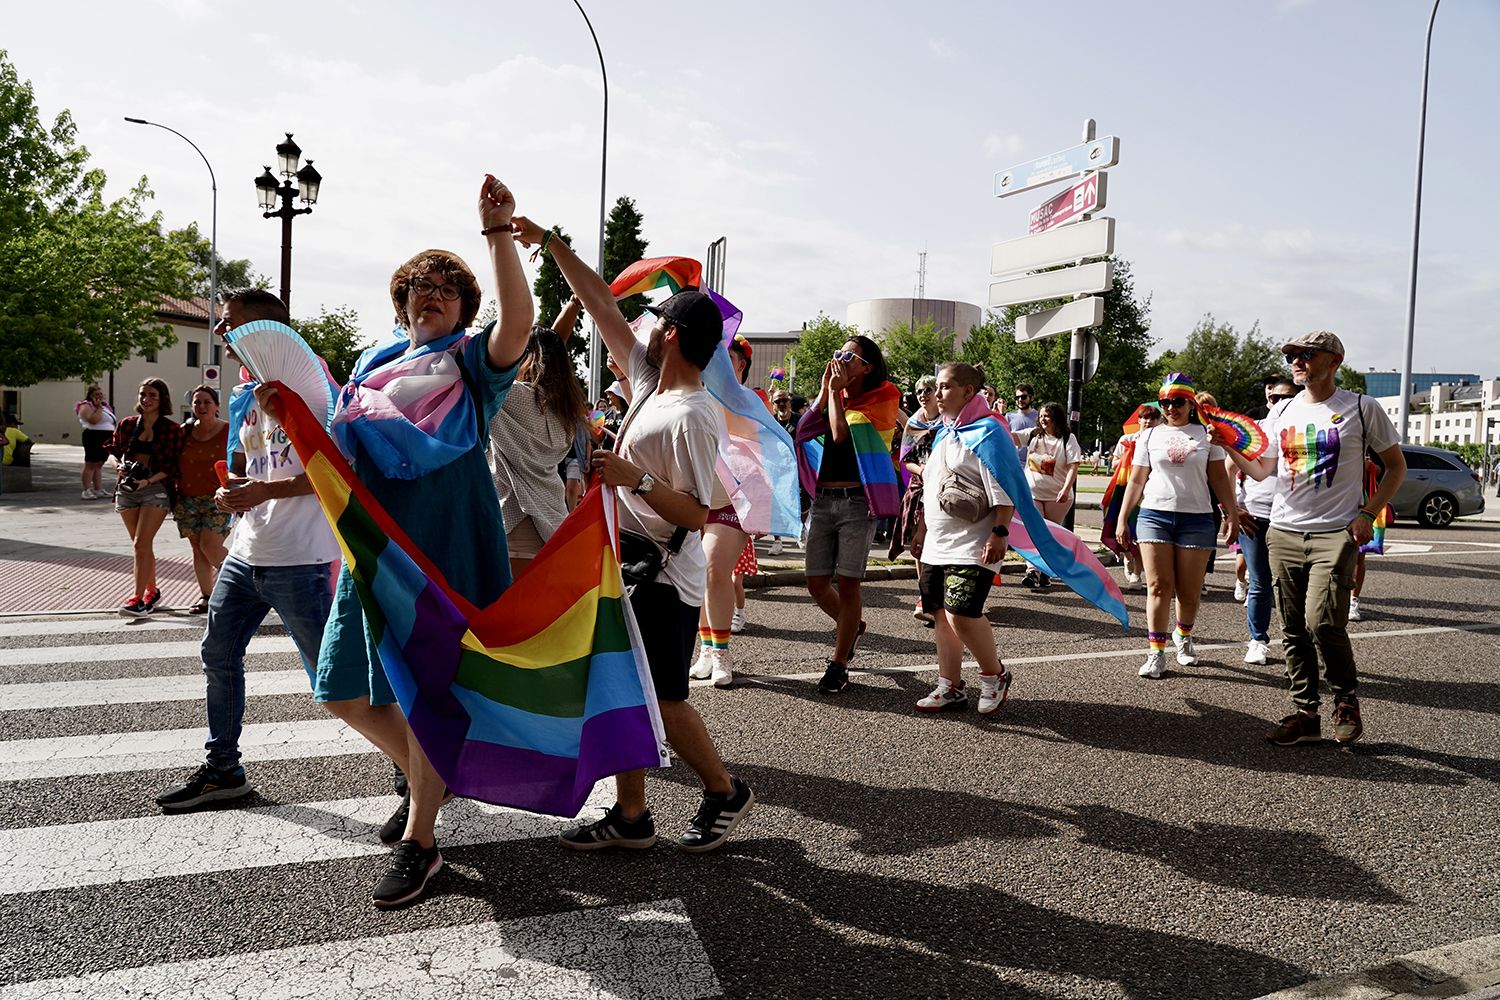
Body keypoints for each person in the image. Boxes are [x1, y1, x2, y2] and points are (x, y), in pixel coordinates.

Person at [312, 177, 534, 909]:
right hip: (376, 549)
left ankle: (423, 841)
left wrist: (497, 234)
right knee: (340, 689)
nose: (430, 294)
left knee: (429, 694)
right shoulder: (371, 368)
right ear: (401, 302)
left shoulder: (471, 366)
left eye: (446, 288)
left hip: (447, 549)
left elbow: (520, 324)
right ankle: (423, 769)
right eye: (417, 286)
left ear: (465, 308)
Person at [517, 213, 755, 855]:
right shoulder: (652, 386)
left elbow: (698, 513)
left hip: (662, 580)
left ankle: (724, 790)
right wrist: (551, 246)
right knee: (627, 693)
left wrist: (634, 479)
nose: (640, 332)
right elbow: (600, 303)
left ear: (671, 335)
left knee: (667, 701)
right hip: (628, 568)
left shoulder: (694, 416)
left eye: (652, 325)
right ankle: (632, 815)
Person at [154, 291, 342, 813]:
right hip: (247, 550)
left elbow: (332, 472)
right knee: (218, 654)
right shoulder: (246, 394)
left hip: (302, 558)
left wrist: (266, 492)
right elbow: (256, 469)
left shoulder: (310, 387)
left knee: (335, 677)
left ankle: (411, 767)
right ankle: (223, 771)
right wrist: (234, 489)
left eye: (230, 323)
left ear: (263, 329)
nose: (220, 333)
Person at [1228, 332, 1405, 746]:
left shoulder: (1362, 407)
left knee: (1322, 622)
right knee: (1292, 628)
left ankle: (1345, 698)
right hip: (1284, 531)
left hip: (1336, 534)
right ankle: (1307, 713)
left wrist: (1367, 513)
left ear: (1334, 360)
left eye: (1306, 354)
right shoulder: (1284, 409)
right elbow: (1262, 471)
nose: (1296, 361)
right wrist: (1228, 445)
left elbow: (1396, 467)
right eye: (1291, 355)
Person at [1115, 373, 1239, 680]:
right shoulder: (1148, 436)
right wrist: (1122, 517)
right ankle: (1155, 652)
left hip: (1197, 518)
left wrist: (1232, 513)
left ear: (1191, 403)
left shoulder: (1207, 435)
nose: (1171, 408)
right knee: (1158, 586)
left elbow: (1219, 478)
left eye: (1178, 402)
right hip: (1154, 515)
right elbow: (1136, 478)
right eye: (1166, 402)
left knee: (1188, 592)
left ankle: (1183, 636)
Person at [796, 335, 901, 695]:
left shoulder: (885, 396)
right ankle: (852, 625)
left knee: (849, 582)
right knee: (815, 583)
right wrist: (827, 392)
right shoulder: (835, 396)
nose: (839, 360)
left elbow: (841, 436)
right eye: (837, 353)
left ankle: (839, 664)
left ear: (867, 367)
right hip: (824, 499)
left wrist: (836, 397)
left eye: (848, 356)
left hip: (858, 501)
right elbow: (805, 431)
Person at [910, 363, 1016, 714]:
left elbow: (1005, 485)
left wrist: (1000, 531)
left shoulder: (988, 432)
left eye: (944, 387)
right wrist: (922, 531)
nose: (936, 394)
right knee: (940, 613)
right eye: (936, 387)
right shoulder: (945, 432)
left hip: (975, 541)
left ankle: (994, 676)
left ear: (968, 392)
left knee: (962, 613)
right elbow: (933, 486)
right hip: (938, 542)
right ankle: (950, 686)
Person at [488, 296, 587, 580]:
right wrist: (572, 307)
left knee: (510, 620)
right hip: (553, 525)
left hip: (514, 523)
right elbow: (552, 347)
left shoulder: (512, 396)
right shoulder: (564, 412)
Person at [689, 333, 757, 688]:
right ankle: (705, 649)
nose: (714, 362)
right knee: (699, 573)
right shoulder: (694, 393)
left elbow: (764, 456)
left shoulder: (748, 401)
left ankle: (721, 654)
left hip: (731, 501)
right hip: (693, 498)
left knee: (714, 567)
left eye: (723, 356)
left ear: (740, 363)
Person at [1234, 377, 1298, 664]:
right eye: (1274, 398)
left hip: (1293, 518)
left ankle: (1299, 644)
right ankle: (1258, 640)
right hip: (1255, 516)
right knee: (1259, 580)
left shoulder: (1305, 430)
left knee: (1293, 585)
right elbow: (1228, 466)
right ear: (1268, 400)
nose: (1280, 404)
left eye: (1288, 398)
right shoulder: (1256, 430)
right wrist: (1233, 509)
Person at [107, 379, 183, 616]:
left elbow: (172, 466)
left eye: (152, 395)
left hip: (156, 487)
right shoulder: (127, 425)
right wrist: (119, 465)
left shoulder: (172, 429)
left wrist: (148, 480)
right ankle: (152, 591)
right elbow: (113, 451)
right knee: (141, 545)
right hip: (127, 487)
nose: (146, 400)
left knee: (141, 543)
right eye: (142, 395)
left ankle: (137, 599)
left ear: (162, 400)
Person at [174, 385, 232, 614]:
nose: (202, 406)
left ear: (217, 406)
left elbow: (240, 458)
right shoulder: (184, 432)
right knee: (198, 549)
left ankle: (246, 583)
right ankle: (207, 596)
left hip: (217, 498)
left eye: (207, 402)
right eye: (197, 402)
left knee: (210, 545)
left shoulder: (228, 430)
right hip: (187, 499)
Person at [1020, 402, 1081, 592]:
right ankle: (1032, 571)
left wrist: (1065, 488)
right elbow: (1011, 436)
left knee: (1048, 536)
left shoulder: (1067, 439)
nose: (1042, 419)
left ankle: (1045, 571)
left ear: (1056, 418)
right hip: (1033, 493)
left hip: (1058, 497)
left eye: (1047, 416)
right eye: (1041, 415)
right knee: (1035, 532)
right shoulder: (1033, 435)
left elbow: (1073, 466)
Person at [894, 375, 941, 624]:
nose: (923, 394)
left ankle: (938, 596)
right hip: (919, 486)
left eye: (928, 390)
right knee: (918, 543)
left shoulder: (948, 422)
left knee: (939, 542)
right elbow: (906, 459)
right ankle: (925, 596)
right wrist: (922, 471)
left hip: (945, 489)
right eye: (920, 391)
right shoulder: (913, 424)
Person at [1102, 402, 1161, 588]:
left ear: (1159, 421)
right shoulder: (1126, 439)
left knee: (1140, 534)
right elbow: (1115, 463)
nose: (1148, 421)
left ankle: (1137, 574)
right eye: (1144, 417)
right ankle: (1129, 557)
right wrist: (1128, 457)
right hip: (1124, 488)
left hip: (1149, 492)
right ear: (1139, 420)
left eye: (1152, 418)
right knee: (1120, 530)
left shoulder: (1160, 442)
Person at [76, 385, 116, 499]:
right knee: (91, 463)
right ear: (90, 395)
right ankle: (86, 490)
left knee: (99, 464)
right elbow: (93, 420)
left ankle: (98, 489)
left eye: (100, 394)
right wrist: (98, 407)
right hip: (93, 435)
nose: (99, 396)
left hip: (106, 435)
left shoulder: (105, 407)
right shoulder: (85, 405)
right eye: (96, 394)